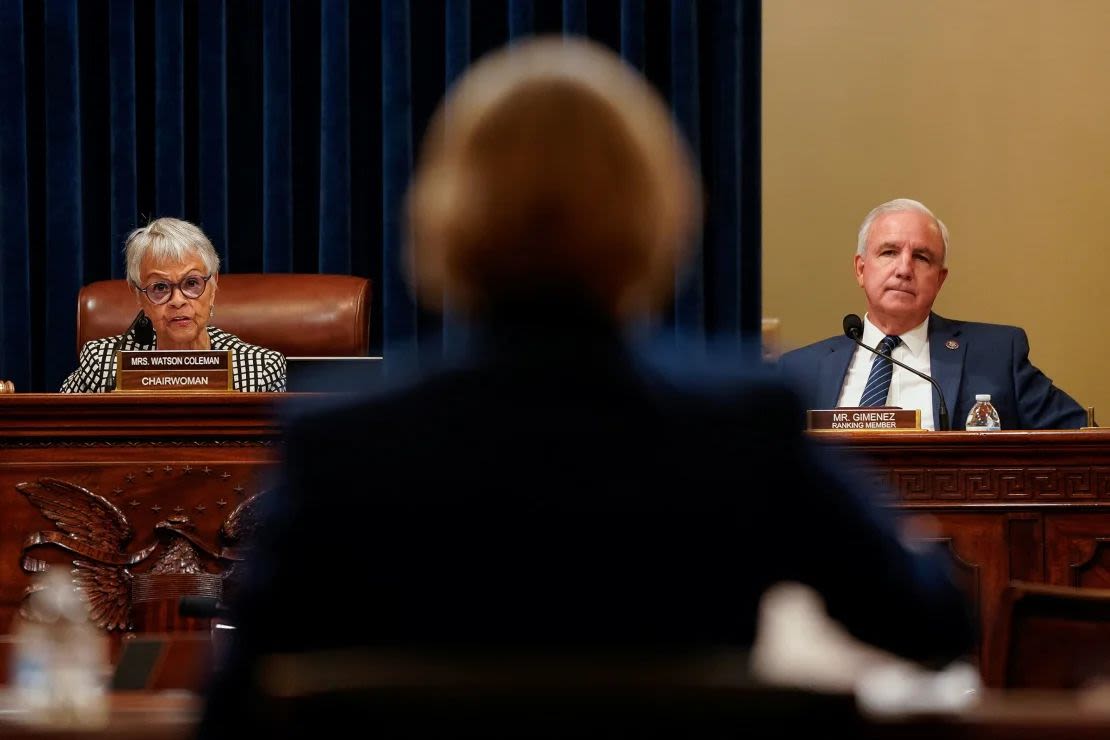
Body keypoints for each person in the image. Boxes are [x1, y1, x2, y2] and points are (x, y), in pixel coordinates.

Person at [197, 38, 973, 736]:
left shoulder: (345, 445)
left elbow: (234, 712)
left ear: (445, 216)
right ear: (654, 217)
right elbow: (934, 623)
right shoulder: (739, 428)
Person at [779, 198, 1084, 430]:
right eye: (889, 252)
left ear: (940, 279)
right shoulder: (801, 370)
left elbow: (1082, 440)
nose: (904, 269)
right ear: (861, 269)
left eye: (921, 257)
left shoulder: (996, 356)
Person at [59, 218, 286, 393]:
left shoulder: (259, 369)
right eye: (160, 287)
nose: (178, 300)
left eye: (191, 283)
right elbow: (59, 435)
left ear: (214, 285)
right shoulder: (105, 363)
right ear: (139, 296)